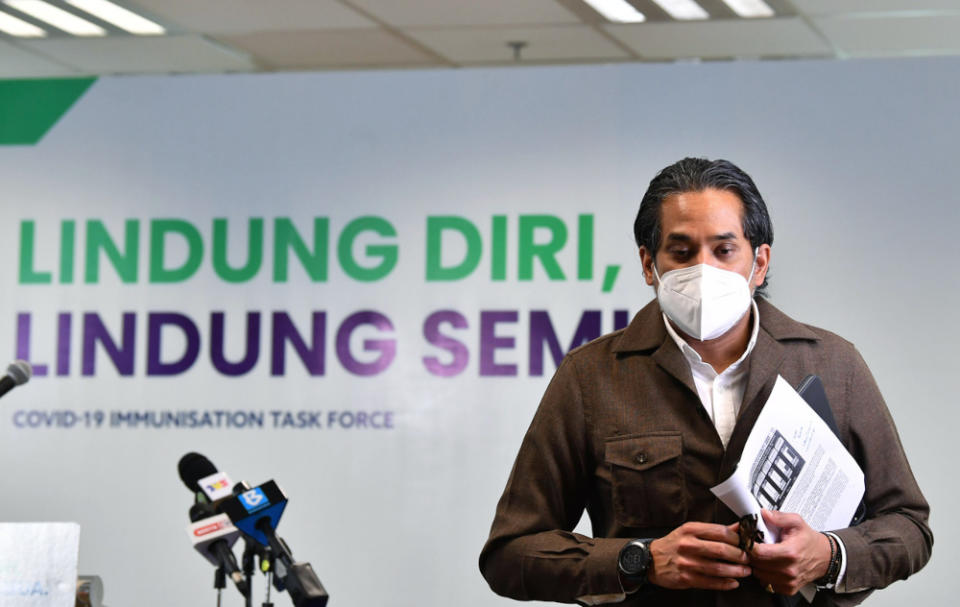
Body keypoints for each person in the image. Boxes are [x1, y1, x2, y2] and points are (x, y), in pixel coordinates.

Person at [479, 158, 932, 606]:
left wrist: (829, 556)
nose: (703, 270)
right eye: (681, 251)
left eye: (724, 249)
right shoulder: (590, 376)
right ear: (648, 264)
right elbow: (510, 554)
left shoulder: (833, 363)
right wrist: (640, 560)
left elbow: (909, 526)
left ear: (759, 262)